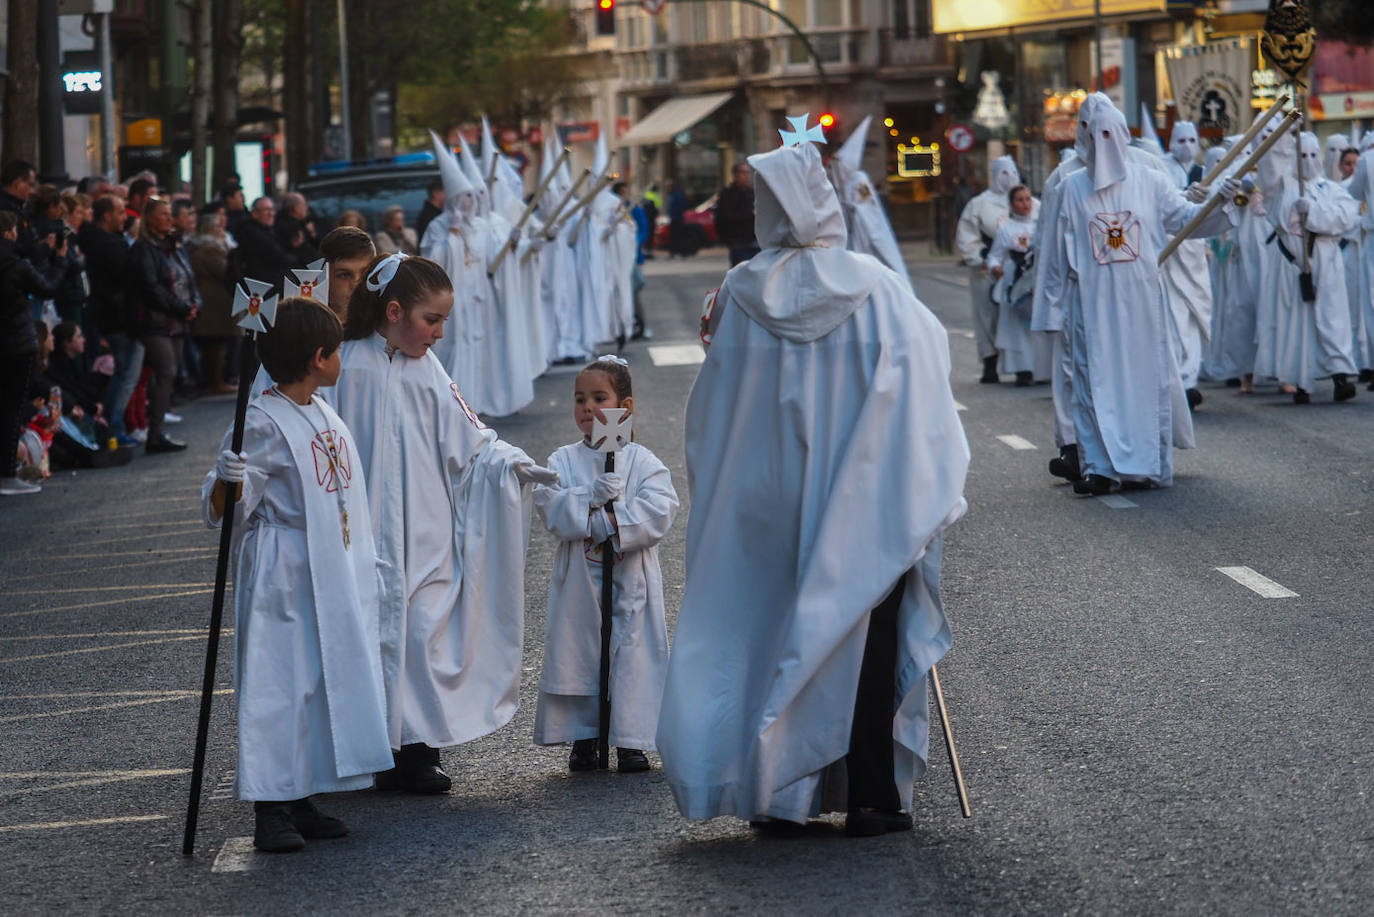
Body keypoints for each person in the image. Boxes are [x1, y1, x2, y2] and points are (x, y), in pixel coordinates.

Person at [658, 136, 970, 836]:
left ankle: (778, 790)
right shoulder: (880, 287)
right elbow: (926, 388)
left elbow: (714, 412)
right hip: (866, 502)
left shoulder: (739, 292)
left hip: (768, 500)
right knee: (866, 641)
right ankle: (870, 795)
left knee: (772, 633)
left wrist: (729, 488)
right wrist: (923, 490)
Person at [322, 253, 558, 794]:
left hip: (423, 533)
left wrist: (511, 463)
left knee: (423, 631)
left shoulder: (427, 370)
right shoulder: (345, 368)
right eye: (433, 320)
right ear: (395, 311)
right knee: (360, 634)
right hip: (358, 534)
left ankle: (417, 746)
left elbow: (470, 438)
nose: (441, 333)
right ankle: (365, 746)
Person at [202, 297, 393, 853]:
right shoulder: (260, 420)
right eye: (335, 351)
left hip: (330, 566)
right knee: (279, 684)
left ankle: (303, 792)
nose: (341, 361)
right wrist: (227, 477)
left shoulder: (320, 409)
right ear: (317, 357)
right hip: (284, 571)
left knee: (316, 680)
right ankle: (271, 806)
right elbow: (228, 511)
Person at [1041, 102, 1240, 495]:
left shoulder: (1150, 180)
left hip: (1141, 305)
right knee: (1091, 384)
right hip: (1091, 306)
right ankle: (1099, 467)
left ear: (1123, 134)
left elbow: (1186, 219)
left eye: (1110, 133)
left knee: (1143, 384)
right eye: (1095, 135)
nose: (1104, 144)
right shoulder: (1070, 188)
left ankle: (1144, 465)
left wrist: (1220, 202)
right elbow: (1054, 256)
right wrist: (1051, 310)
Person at [531, 357, 678, 773]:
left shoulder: (642, 461)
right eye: (580, 399)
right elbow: (549, 504)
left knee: (630, 652)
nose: (588, 408)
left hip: (631, 578)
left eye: (599, 398)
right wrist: (588, 502)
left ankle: (630, 739)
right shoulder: (563, 459)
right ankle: (585, 734)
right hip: (580, 579)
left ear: (624, 408)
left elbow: (661, 508)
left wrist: (614, 521)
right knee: (582, 650)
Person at [1266, 132, 1361, 404]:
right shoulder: (1283, 187)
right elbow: (1277, 216)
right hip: (1294, 266)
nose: (1308, 161)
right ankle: (1301, 381)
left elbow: (1346, 217)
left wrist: (1315, 213)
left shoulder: (1330, 190)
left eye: (1312, 155)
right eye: (1302, 156)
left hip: (1327, 262)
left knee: (1332, 319)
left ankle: (1340, 376)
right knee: (1299, 325)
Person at [126, 197, 197, 453]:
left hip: (176, 320)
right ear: (151, 218)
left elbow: (188, 276)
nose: (170, 219)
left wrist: (193, 303)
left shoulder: (173, 246)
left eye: (170, 214)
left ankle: (156, 429)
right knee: (164, 371)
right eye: (164, 214)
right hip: (155, 321)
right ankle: (154, 434)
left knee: (169, 373)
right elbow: (150, 287)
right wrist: (180, 306)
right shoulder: (143, 249)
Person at [0, 211, 63, 495]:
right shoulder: (15, 264)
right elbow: (47, 287)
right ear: (9, 233)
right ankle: (7, 473)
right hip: (16, 340)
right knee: (13, 409)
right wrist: (58, 259)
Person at [957, 156, 1034, 382]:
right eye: (1003, 173)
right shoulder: (978, 204)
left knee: (1020, 319)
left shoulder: (1032, 203)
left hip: (1024, 270)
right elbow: (967, 234)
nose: (1008, 178)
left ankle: (1026, 365)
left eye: (1012, 172)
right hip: (988, 269)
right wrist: (980, 256)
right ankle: (990, 363)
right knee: (987, 317)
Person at [1158, 122, 1212, 409]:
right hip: (1170, 255)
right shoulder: (1161, 169)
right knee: (1174, 317)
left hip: (1195, 255)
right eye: (1182, 139)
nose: (1188, 145)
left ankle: (1189, 380)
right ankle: (1178, 382)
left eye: (1193, 139)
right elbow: (1162, 204)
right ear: (1172, 141)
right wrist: (1183, 197)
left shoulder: (1203, 172)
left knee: (1195, 316)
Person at [830, 116, 912, 287]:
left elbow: (866, 209)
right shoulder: (845, 184)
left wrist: (851, 207)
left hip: (864, 235)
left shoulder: (859, 180)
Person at [987, 184, 1047, 386]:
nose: (1025, 204)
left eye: (1028, 199)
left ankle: (1042, 368)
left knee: (1038, 327)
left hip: (1037, 281)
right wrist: (996, 268)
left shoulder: (1042, 226)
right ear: (1012, 205)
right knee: (1017, 328)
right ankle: (1022, 369)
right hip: (1015, 282)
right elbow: (994, 256)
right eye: (1020, 200)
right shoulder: (1006, 229)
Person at [188, 205, 236, 394]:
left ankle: (217, 380)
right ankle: (214, 382)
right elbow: (224, 270)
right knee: (214, 346)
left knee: (219, 344)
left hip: (217, 301)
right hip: (212, 302)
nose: (221, 229)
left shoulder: (213, 246)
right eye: (217, 226)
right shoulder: (208, 248)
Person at [238, 197, 301, 291]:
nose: (271, 214)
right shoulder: (252, 232)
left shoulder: (267, 230)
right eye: (266, 210)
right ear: (255, 214)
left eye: (272, 210)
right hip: (264, 285)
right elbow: (279, 257)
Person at [715, 162, 758, 266]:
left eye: (747, 173)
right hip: (738, 242)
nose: (746, 176)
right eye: (743, 172)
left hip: (755, 240)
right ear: (735, 175)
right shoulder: (728, 194)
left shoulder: (752, 192)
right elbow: (725, 217)